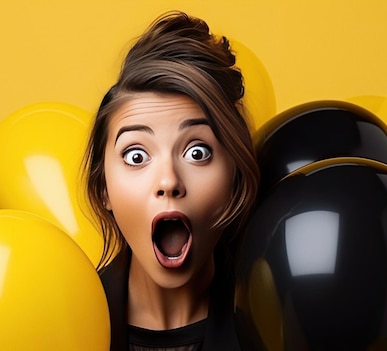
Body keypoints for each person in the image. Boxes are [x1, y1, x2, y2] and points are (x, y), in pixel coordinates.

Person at [83, 10, 260, 351]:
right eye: (136, 156)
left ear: (235, 176)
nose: (168, 181)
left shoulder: (277, 325)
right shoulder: (63, 323)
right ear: (103, 187)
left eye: (197, 153)